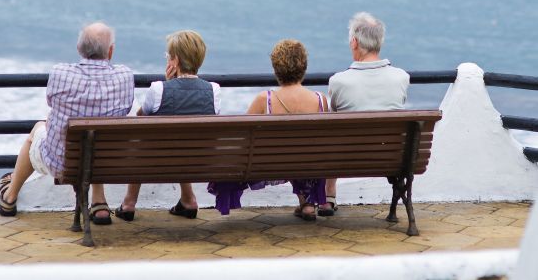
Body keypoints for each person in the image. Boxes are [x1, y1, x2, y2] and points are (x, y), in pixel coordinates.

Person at [0, 22, 135, 224]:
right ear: (111, 51)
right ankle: (99, 203)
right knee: (98, 134)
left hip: (64, 164)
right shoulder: (125, 76)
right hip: (106, 163)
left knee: (38, 128)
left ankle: (9, 197)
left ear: (79, 48)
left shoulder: (60, 73)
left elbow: (50, 102)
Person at [210, 39, 327, 220]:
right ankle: (308, 203)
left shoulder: (265, 99)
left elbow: (242, 138)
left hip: (272, 163)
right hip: (309, 162)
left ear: (276, 69)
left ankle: (306, 202)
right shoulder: (320, 99)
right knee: (305, 150)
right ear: (304, 67)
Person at [115, 30, 220, 221]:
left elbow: (140, 118)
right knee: (184, 138)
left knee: (142, 137)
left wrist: (167, 84)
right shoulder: (213, 90)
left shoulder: (158, 89)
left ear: (176, 61)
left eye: (168, 56)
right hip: (199, 161)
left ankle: (129, 203)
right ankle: (188, 199)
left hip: (156, 159)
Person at [319, 12, 410, 217]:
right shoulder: (401, 77)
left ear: (354, 42)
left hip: (346, 157)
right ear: (380, 42)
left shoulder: (339, 81)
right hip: (391, 158)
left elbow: (332, 118)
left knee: (330, 132)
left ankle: (328, 195)